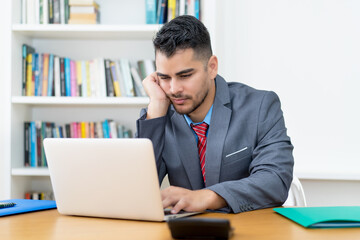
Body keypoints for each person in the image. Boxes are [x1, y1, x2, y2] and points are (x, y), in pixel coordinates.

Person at [136, 15, 294, 214]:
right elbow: (136, 192)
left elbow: (275, 180)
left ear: (212, 67)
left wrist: (208, 196)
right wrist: (157, 108)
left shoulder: (260, 106)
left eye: (185, 76)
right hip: (186, 233)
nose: (174, 89)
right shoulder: (158, 116)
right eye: (164, 77)